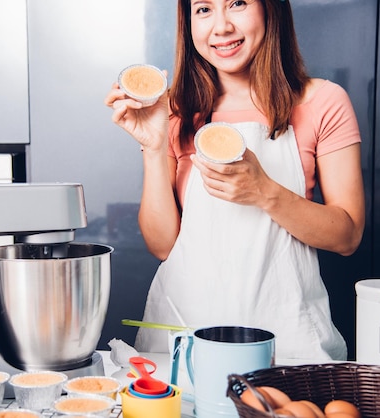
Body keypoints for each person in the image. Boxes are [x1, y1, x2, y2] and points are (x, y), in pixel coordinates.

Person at [104, 0, 365, 361]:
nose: (221, 26)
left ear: (270, 9)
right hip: (184, 338)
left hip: (286, 342)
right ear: (187, 22)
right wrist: (153, 145)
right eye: (203, 9)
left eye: (237, 3)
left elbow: (348, 236)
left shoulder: (323, 102)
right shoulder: (174, 111)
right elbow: (163, 245)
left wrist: (266, 192)